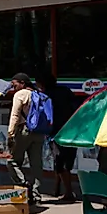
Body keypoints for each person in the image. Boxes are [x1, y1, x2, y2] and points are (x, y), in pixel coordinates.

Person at [7, 72, 46, 204]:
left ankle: (24, 186)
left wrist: (10, 133)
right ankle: (36, 195)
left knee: (12, 161)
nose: (13, 87)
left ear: (22, 83)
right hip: (39, 132)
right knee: (36, 164)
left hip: (24, 131)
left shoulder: (20, 94)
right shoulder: (39, 93)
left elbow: (15, 115)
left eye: (15, 84)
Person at [39, 73, 77, 201]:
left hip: (56, 132)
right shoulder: (65, 91)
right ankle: (57, 188)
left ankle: (69, 192)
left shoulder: (46, 95)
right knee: (66, 161)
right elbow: (75, 107)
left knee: (60, 162)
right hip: (71, 129)